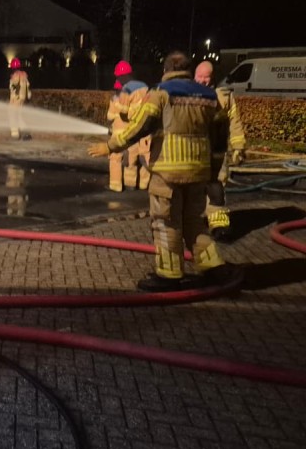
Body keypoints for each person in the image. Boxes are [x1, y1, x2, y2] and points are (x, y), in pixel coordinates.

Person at [88, 51, 231, 292]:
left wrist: (110, 145)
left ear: (166, 70)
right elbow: (220, 139)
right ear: (189, 70)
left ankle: (169, 274)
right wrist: (213, 171)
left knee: (166, 223)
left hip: (167, 173)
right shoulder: (210, 97)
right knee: (195, 223)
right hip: (199, 173)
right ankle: (214, 267)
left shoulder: (161, 93)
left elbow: (140, 127)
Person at [194, 59, 246, 239]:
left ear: (212, 78)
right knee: (195, 188)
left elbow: (235, 123)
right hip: (195, 152)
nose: (202, 80)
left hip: (217, 151)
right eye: (199, 77)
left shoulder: (224, 97)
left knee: (216, 187)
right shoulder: (188, 95)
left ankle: (218, 225)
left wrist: (239, 147)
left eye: (206, 77)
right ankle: (195, 222)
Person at [113, 60, 150, 190]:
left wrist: (115, 103)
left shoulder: (126, 89)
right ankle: (144, 185)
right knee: (146, 157)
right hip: (146, 128)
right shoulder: (145, 86)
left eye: (117, 76)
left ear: (122, 76)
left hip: (133, 127)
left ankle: (130, 185)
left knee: (131, 158)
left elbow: (123, 111)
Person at [106, 79, 127, 192]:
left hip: (117, 135)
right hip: (130, 134)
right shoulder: (130, 99)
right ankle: (131, 184)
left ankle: (116, 185)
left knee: (115, 159)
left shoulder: (114, 100)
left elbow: (110, 116)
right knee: (131, 160)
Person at [8, 57, 31, 140]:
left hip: (15, 99)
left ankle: (15, 134)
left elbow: (13, 87)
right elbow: (28, 88)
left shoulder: (15, 76)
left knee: (13, 116)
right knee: (19, 116)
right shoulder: (24, 76)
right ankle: (26, 132)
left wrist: (11, 80)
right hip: (22, 99)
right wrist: (27, 97)